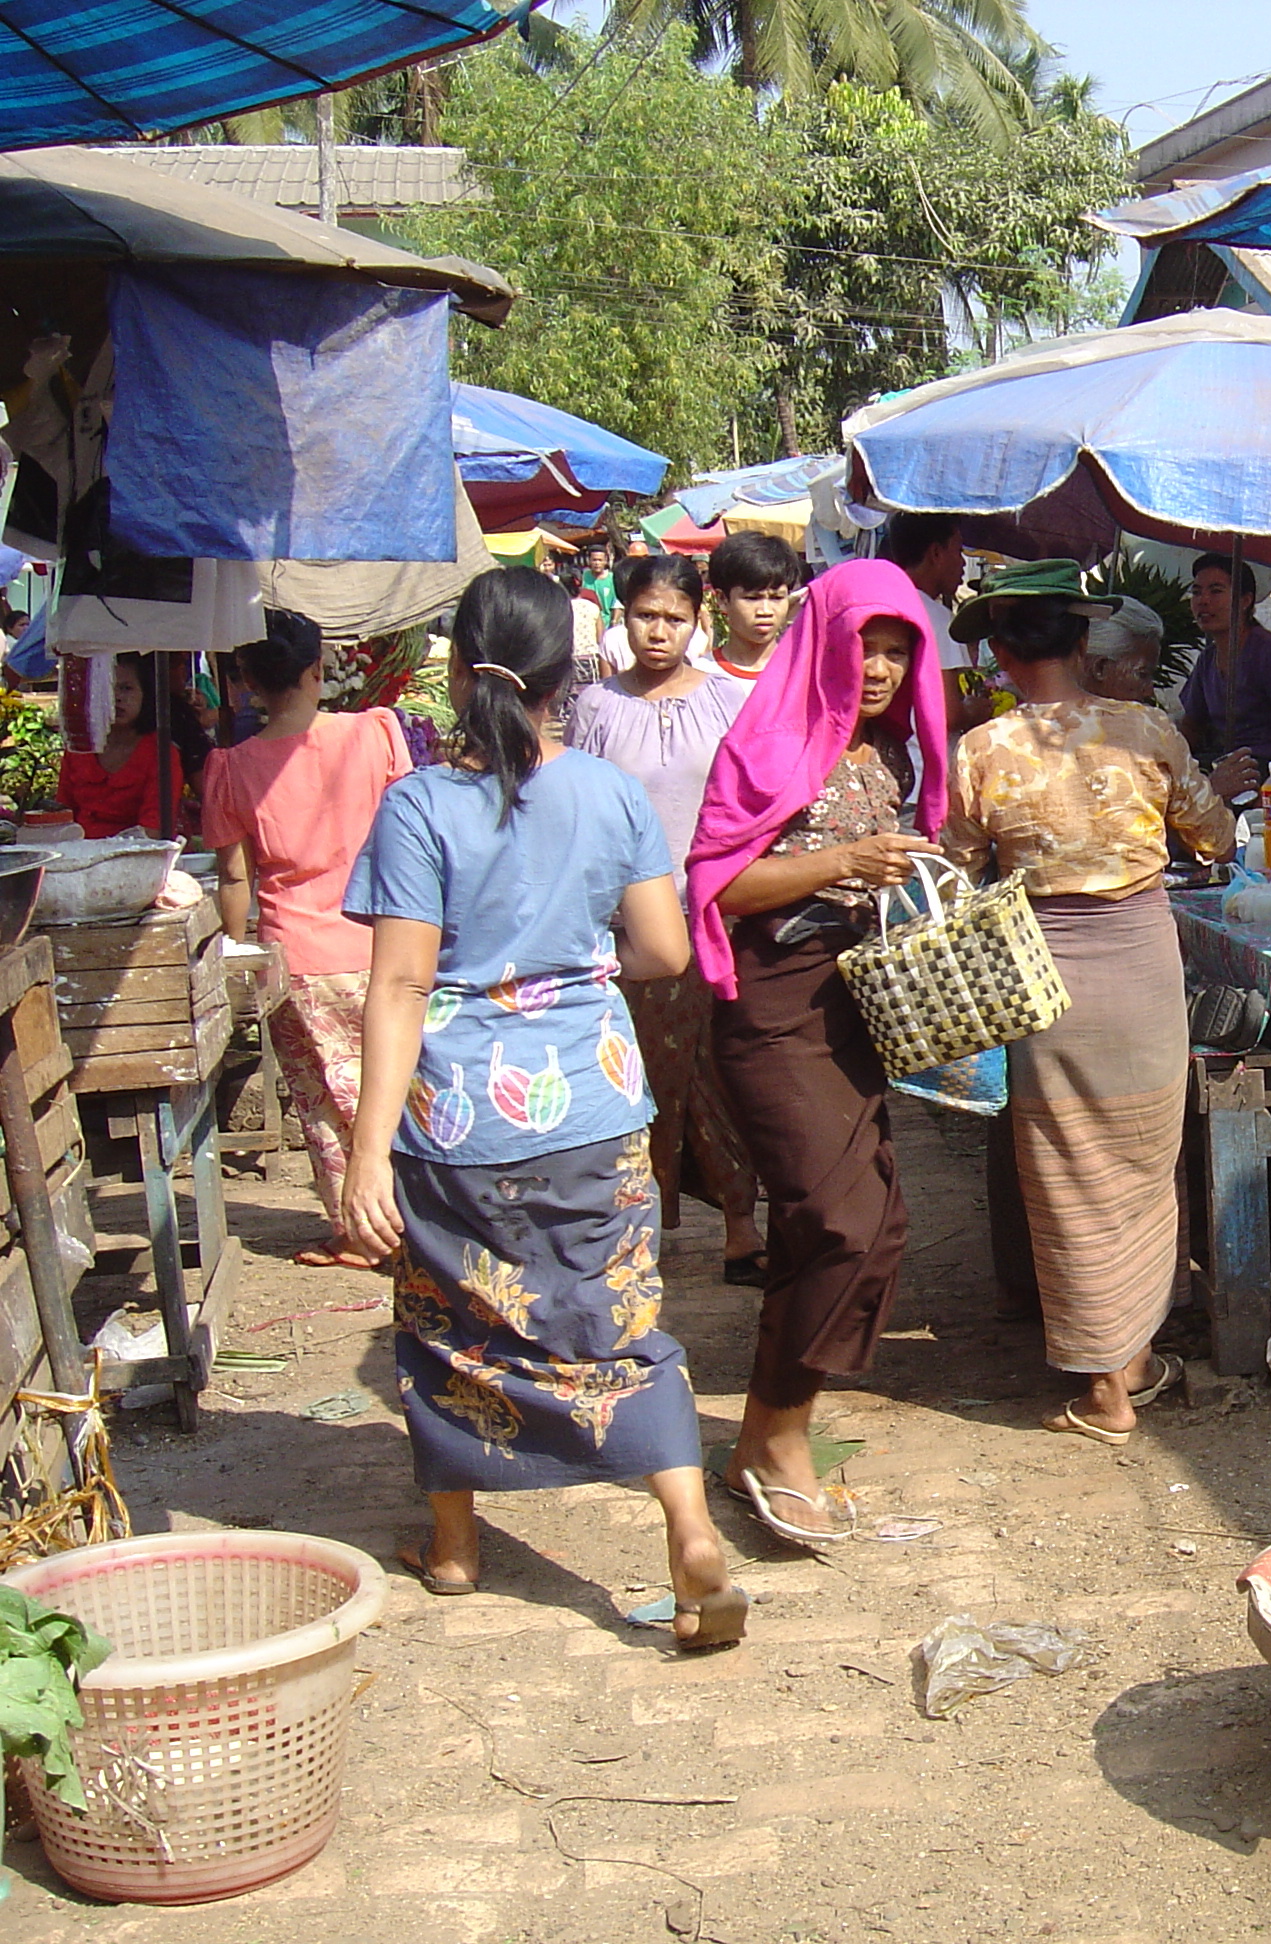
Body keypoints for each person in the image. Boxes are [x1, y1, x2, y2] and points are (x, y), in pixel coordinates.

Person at [338, 566, 744, 1652]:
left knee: (445, 1325)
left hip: (457, 1119)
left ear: (461, 669)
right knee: (618, 1318)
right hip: (595, 1107)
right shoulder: (609, 792)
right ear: (571, 675)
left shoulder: (420, 805)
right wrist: (570, 966)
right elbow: (661, 949)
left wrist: (366, 1152)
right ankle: (691, 1529)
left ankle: (458, 1547)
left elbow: (399, 985)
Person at [942, 559, 1236, 1446]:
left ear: (998, 652)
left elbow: (957, 866)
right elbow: (1214, 834)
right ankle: (1125, 1368)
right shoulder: (1147, 729)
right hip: (1142, 968)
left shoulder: (982, 750)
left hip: (1043, 978)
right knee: (1147, 1169)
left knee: (1066, 1175)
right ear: (1083, 640)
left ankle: (1113, 1375)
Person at [686, 559, 950, 1545]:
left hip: (852, 1005)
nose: (878, 668)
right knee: (837, 1220)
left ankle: (767, 1430)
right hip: (770, 1001)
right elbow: (716, 883)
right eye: (862, 645)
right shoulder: (768, 738)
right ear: (823, 640)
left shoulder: (888, 753)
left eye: (897, 650)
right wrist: (843, 862)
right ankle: (778, 1438)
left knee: (871, 1223)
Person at [563, 554, 766, 1283]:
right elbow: (574, 811)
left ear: (697, 622)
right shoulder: (595, 708)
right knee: (635, 1074)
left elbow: (754, 808)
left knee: (721, 1071)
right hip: (628, 931)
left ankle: (743, 1227)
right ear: (623, 618)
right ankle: (634, 1226)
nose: (659, 631)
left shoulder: (728, 703)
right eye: (646, 616)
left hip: (716, 919)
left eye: (674, 618)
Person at [203, 611, 412, 1268]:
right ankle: (415, 1222)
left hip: (296, 953)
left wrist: (233, 953)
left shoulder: (232, 768)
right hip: (387, 940)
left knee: (323, 1104)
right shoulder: (377, 732)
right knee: (397, 1087)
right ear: (318, 669)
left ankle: (359, 1231)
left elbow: (234, 877)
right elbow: (411, 833)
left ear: (245, 681)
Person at [1081, 597, 1260, 801]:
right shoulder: (1063, 739)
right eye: (1142, 674)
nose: (1149, 691)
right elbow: (1138, 823)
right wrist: (1210, 792)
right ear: (1100, 668)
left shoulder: (1136, 733)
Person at [1177, 553, 1271, 788]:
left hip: (1270, 772)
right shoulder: (1207, 660)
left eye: (1215, 591)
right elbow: (1191, 727)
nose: (1203, 601)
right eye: (1196, 592)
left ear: (1245, 600)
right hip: (1225, 770)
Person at [881, 512, 991, 738]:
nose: (962, 563)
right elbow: (949, 714)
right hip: (923, 759)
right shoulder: (937, 619)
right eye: (959, 551)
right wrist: (975, 710)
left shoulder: (883, 602)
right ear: (936, 553)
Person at [59, 653, 189, 837]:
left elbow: (154, 829)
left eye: (126, 688)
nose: (117, 697)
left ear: (146, 695)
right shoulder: (79, 748)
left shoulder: (162, 754)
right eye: (108, 689)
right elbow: (61, 816)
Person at [700, 532, 805, 684]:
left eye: (777, 598)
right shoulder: (699, 679)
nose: (765, 611)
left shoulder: (803, 675)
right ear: (722, 599)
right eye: (752, 598)